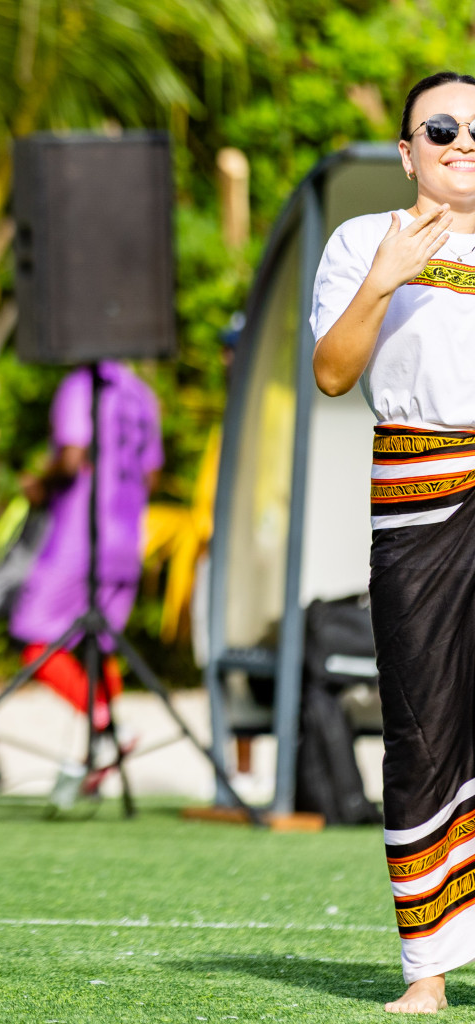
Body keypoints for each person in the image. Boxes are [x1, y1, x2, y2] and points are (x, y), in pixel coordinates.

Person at [311, 70, 475, 1015]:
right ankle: (430, 972)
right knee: (423, 721)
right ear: (408, 150)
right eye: (439, 128)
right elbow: (334, 373)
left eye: (472, 129)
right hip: (418, 489)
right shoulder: (362, 240)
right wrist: (386, 279)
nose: (460, 141)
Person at [10, 361, 161, 739]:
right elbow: (153, 476)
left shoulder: (81, 383)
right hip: (127, 538)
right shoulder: (142, 392)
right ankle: (105, 742)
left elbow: (73, 456)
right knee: (100, 646)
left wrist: (41, 485)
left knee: (35, 642)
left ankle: (107, 727)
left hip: (79, 536)